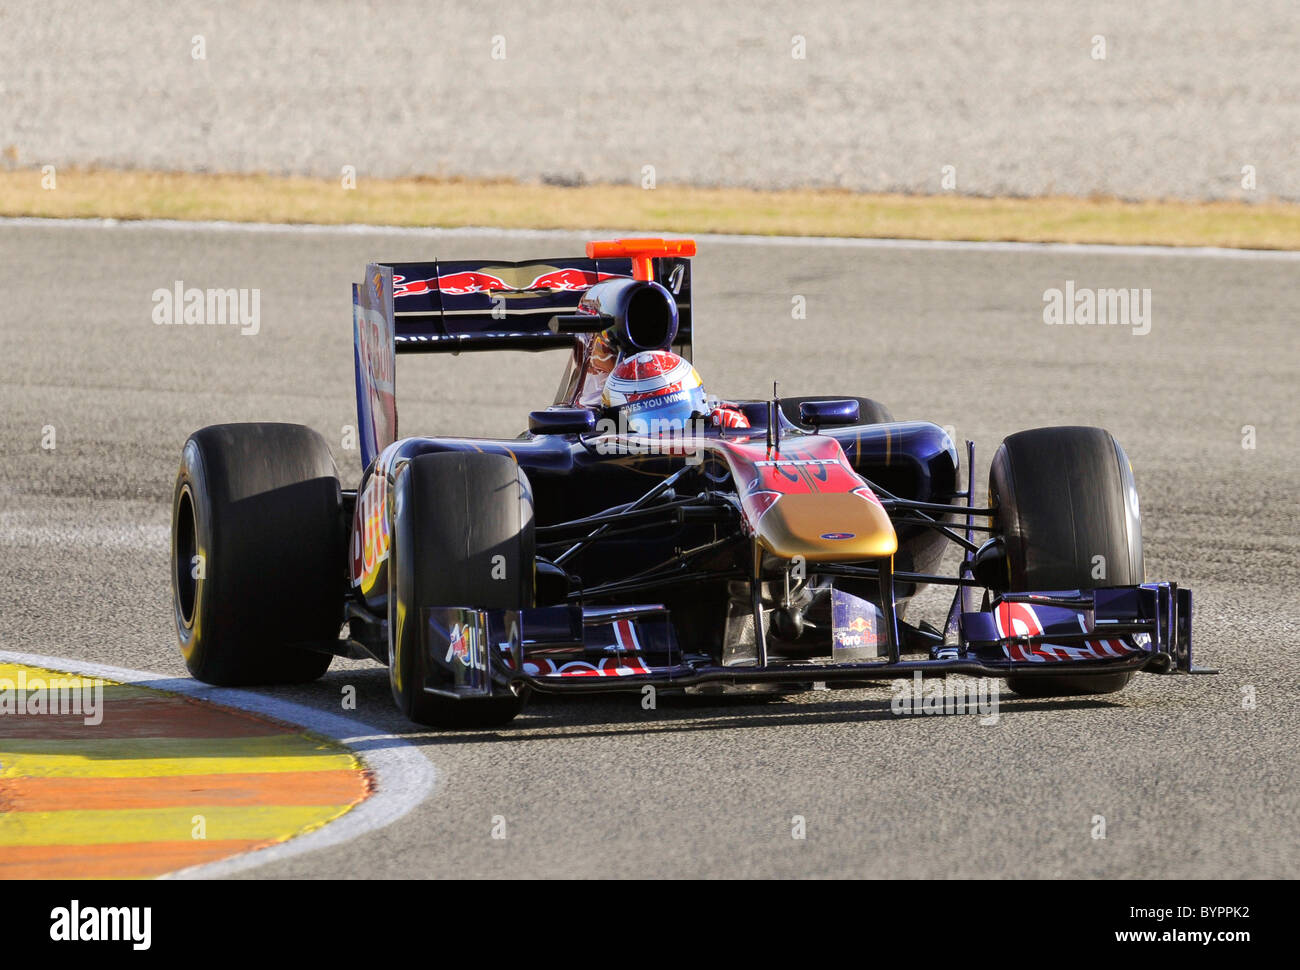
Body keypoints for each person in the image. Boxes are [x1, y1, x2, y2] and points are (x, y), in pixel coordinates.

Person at [600, 350, 750, 433]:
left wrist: (735, 439)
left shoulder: (716, 423)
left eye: (676, 415)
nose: (665, 436)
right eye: (648, 423)